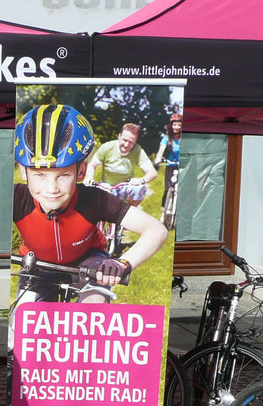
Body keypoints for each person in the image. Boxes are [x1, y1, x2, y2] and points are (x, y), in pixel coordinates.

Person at [12, 104, 167, 305]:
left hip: (89, 260)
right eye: (39, 175)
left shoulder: (94, 198)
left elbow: (157, 230)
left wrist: (122, 264)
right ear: (24, 172)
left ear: (81, 171)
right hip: (37, 263)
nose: (51, 188)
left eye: (64, 175)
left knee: (95, 306)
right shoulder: (17, 197)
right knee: (23, 322)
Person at [85, 122, 158, 208]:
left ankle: (127, 213)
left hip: (125, 186)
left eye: (131, 142)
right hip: (106, 185)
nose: (126, 145)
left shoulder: (138, 151)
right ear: (119, 136)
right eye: (124, 140)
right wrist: (89, 177)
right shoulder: (107, 147)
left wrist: (141, 180)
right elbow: (92, 165)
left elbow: (153, 173)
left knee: (138, 189)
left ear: (135, 141)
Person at [155, 112, 182, 221]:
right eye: (174, 125)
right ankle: (163, 214)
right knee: (167, 189)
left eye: (179, 125)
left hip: (183, 166)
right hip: (171, 165)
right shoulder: (167, 138)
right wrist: (158, 158)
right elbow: (161, 150)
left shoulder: (184, 138)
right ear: (171, 125)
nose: (176, 127)